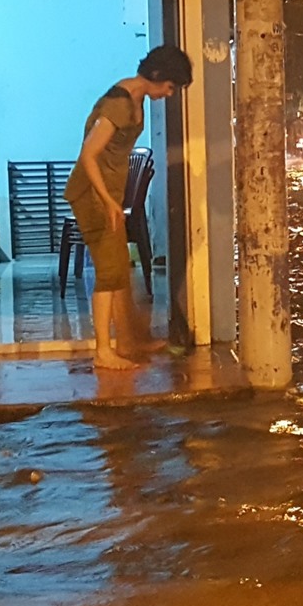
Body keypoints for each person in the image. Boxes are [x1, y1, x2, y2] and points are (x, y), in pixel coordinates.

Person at [64, 45, 193, 370]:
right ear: (159, 76)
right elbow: (88, 155)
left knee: (120, 267)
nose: (169, 93)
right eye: (170, 86)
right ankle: (103, 352)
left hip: (108, 193)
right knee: (109, 272)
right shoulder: (119, 103)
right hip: (93, 195)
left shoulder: (136, 99)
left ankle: (127, 341)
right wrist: (108, 202)